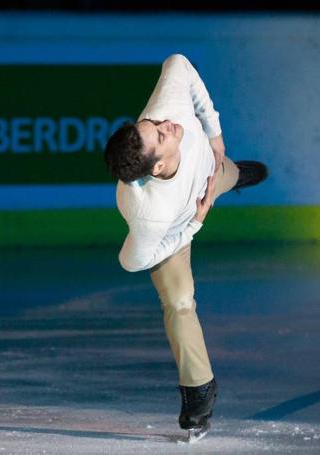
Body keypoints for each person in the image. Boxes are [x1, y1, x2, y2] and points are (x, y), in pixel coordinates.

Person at [103, 53, 267, 441]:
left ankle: (236, 174)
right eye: (160, 135)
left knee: (222, 173)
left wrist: (214, 132)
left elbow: (178, 63)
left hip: (210, 170)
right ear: (156, 167)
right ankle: (199, 392)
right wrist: (194, 223)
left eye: (155, 124)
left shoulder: (167, 110)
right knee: (179, 301)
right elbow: (132, 261)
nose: (166, 125)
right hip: (173, 232)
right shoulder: (147, 215)